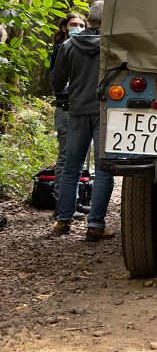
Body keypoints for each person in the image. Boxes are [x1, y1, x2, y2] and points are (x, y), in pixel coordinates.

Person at [51, 0, 116, 242]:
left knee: (71, 168)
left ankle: (63, 221)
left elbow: (57, 81)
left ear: (89, 20)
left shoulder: (69, 45)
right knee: (104, 171)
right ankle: (96, 225)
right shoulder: (113, 45)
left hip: (76, 111)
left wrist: (69, 95)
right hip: (104, 111)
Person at [50, 12, 89, 218]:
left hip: (79, 107)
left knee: (77, 159)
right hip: (66, 108)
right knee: (65, 158)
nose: (78, 28)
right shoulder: (59, 49)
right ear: (65, 27)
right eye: (74, 24)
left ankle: (73, 202)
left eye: (82, 25)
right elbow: (57, 82)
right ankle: (61, 204)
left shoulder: (83, 48)